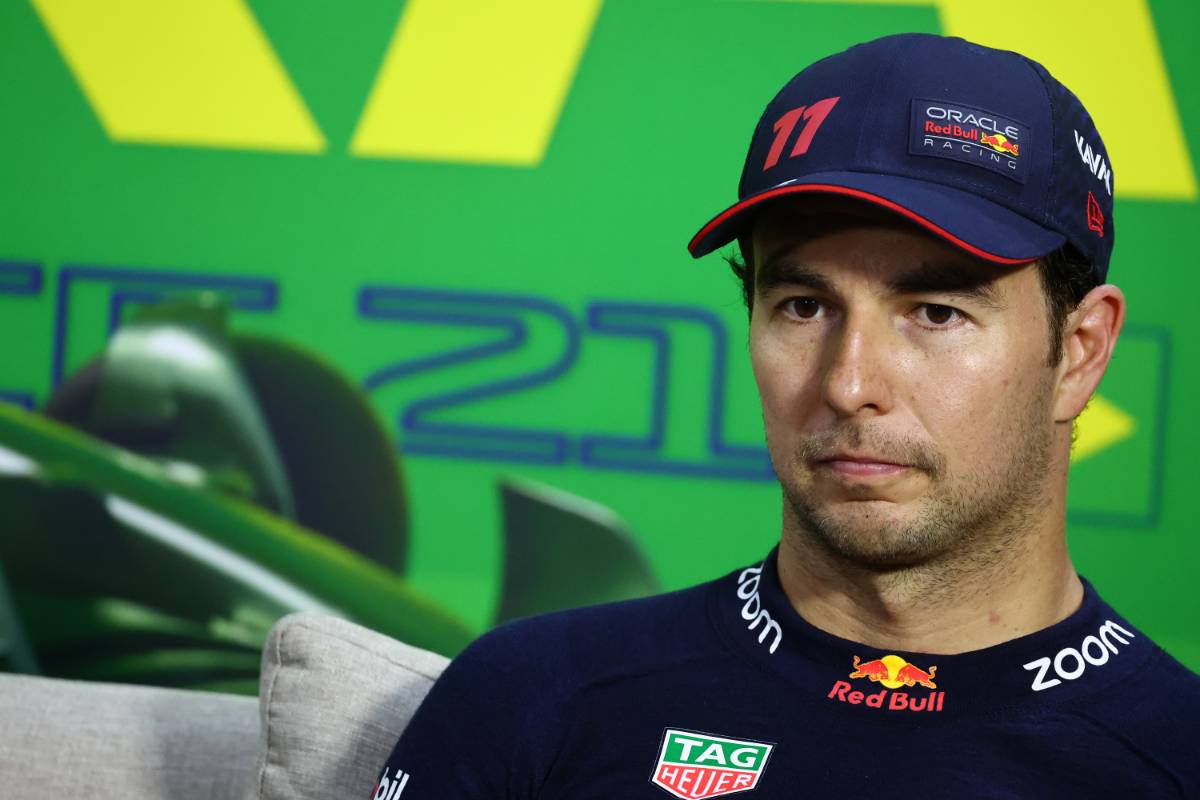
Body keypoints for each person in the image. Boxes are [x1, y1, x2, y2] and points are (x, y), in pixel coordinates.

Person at [370, 32, 1200, 798]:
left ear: (1082, 350)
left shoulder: (1175, 753)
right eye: (804, 305)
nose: (848, 383)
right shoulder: (534, 695)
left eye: (936, 312)